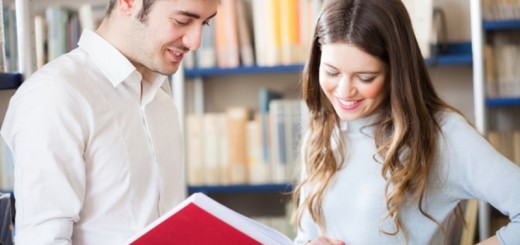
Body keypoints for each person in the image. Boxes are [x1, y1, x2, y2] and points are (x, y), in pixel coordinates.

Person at [292, 0, 520, 244]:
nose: (344, 91)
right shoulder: (322, 130)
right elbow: (306, 235)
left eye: (365, 77)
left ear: (395, 71)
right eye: (332, 72)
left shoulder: (440, 135)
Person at [0, 0, 218, 244]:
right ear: (128, 3)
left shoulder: (160, 96)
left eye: (205, 23)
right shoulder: (54, 95)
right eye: (182, 21)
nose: (195, 42)